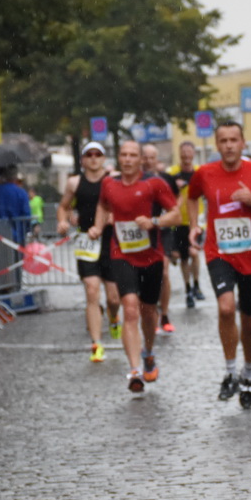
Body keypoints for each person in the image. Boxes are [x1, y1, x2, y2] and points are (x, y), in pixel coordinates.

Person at [182, 121, 251, 408]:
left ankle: (247, 373)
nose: (228, 145)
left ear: (242, 143)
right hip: (219, 253)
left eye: (233, 140)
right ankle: (229, 372)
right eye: (223, 140)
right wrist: (193, 225)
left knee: (250, 320)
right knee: (226, 308)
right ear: (216, 145)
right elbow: (191, 198)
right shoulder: (205, 173)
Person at [94, 140, 178, 393]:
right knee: (129, 309)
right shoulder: (109, 183)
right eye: (124, 155)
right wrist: (98, 227)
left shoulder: (154, 184)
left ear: (141, 159)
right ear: (119, 157)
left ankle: (148, 352)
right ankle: (134, 371)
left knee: (148, 311)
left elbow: (175, 213)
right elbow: (103, 205)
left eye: (133, 155)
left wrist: (154, 221)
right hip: (122, 254)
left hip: (151, 256)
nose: (128, 159)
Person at [58, 141, 112, 362]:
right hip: (86, 240)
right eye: (89, 155)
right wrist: (62, 221)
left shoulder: (112, 180)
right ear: (82, 160)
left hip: (110, 239)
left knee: (115, 297)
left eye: (97, 154)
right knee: (91, 290)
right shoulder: (74, 183)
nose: (93, 158)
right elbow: (64, 206)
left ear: (103, 158)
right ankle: (96, 344)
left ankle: (115, 318)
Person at [140, 143, 176, 334]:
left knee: (163, 273)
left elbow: (174, 208)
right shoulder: (134, 180)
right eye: (144, 157)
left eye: (151, 157)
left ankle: (164, 314)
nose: (147, 161)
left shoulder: (166, 179)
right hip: (141, 232)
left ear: (157, 159)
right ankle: (149, 313)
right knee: (144, 275)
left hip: (162, 231)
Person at [166, 140, 205, 309]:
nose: (186, 156)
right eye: (183, 153)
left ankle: (196, 284)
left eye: (189, 153)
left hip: (196, 220)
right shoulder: (172, 173)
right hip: (178, 221)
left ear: (194, 154)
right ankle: (188, 288)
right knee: (183, 257)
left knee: (194, 253)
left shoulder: (200, 172)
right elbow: (165, 191)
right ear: (179, 154)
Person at [0, 166, 31, 237]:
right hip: (18, 234)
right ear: (15, 177)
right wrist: (27, 229)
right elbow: (26, 213)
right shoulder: (21, 193)